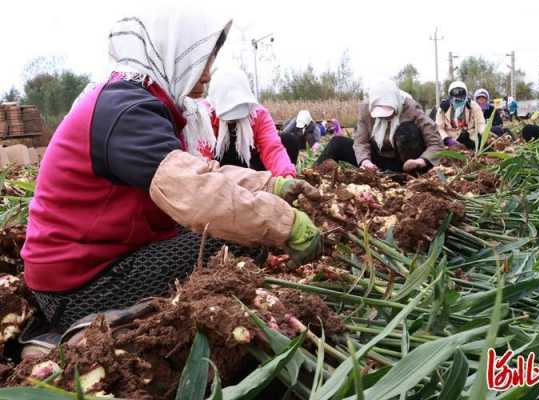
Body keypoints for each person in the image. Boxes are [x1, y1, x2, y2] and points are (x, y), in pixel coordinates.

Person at [21, 9, 321, 335]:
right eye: (202, 60)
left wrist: (271, 186)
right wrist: (285, 224)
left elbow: (200, 173)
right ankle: (96, 327)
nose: (207, 73)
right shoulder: (127, 111)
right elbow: (197, 194)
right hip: (81, 286)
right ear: (175, 53)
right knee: (239, 241)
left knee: (227, 230)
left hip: (92, 263)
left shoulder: (135, 98)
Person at [316, 80, 443, 173]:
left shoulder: (410, 108)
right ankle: (312, 177)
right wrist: (365, 161)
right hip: (379, 159)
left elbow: (435, 143)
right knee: (337, 143)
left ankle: (408, 176)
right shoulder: (366, 109)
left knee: (407, 131)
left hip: (408, 164)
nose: (384, 118)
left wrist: (421, 161)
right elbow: (360, 142)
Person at [194, 68, 296, 177]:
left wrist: (286, 176)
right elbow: (201, 154)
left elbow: (272, 148)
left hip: (248, 162)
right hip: (217, 166)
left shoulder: (258, 114)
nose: (233, 121)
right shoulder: (204, 114)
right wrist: (209, 173)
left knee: (289, 140)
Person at [436, 81, 486, 150]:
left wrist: (484, 134)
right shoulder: (443, 109)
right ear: (450, 97)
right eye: (456, 100)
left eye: (461, 99)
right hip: (451, 139)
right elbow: (439, 128)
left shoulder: (473, 106)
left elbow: (480, 123)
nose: (458, 102)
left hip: (470, 137)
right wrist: (448, 140)